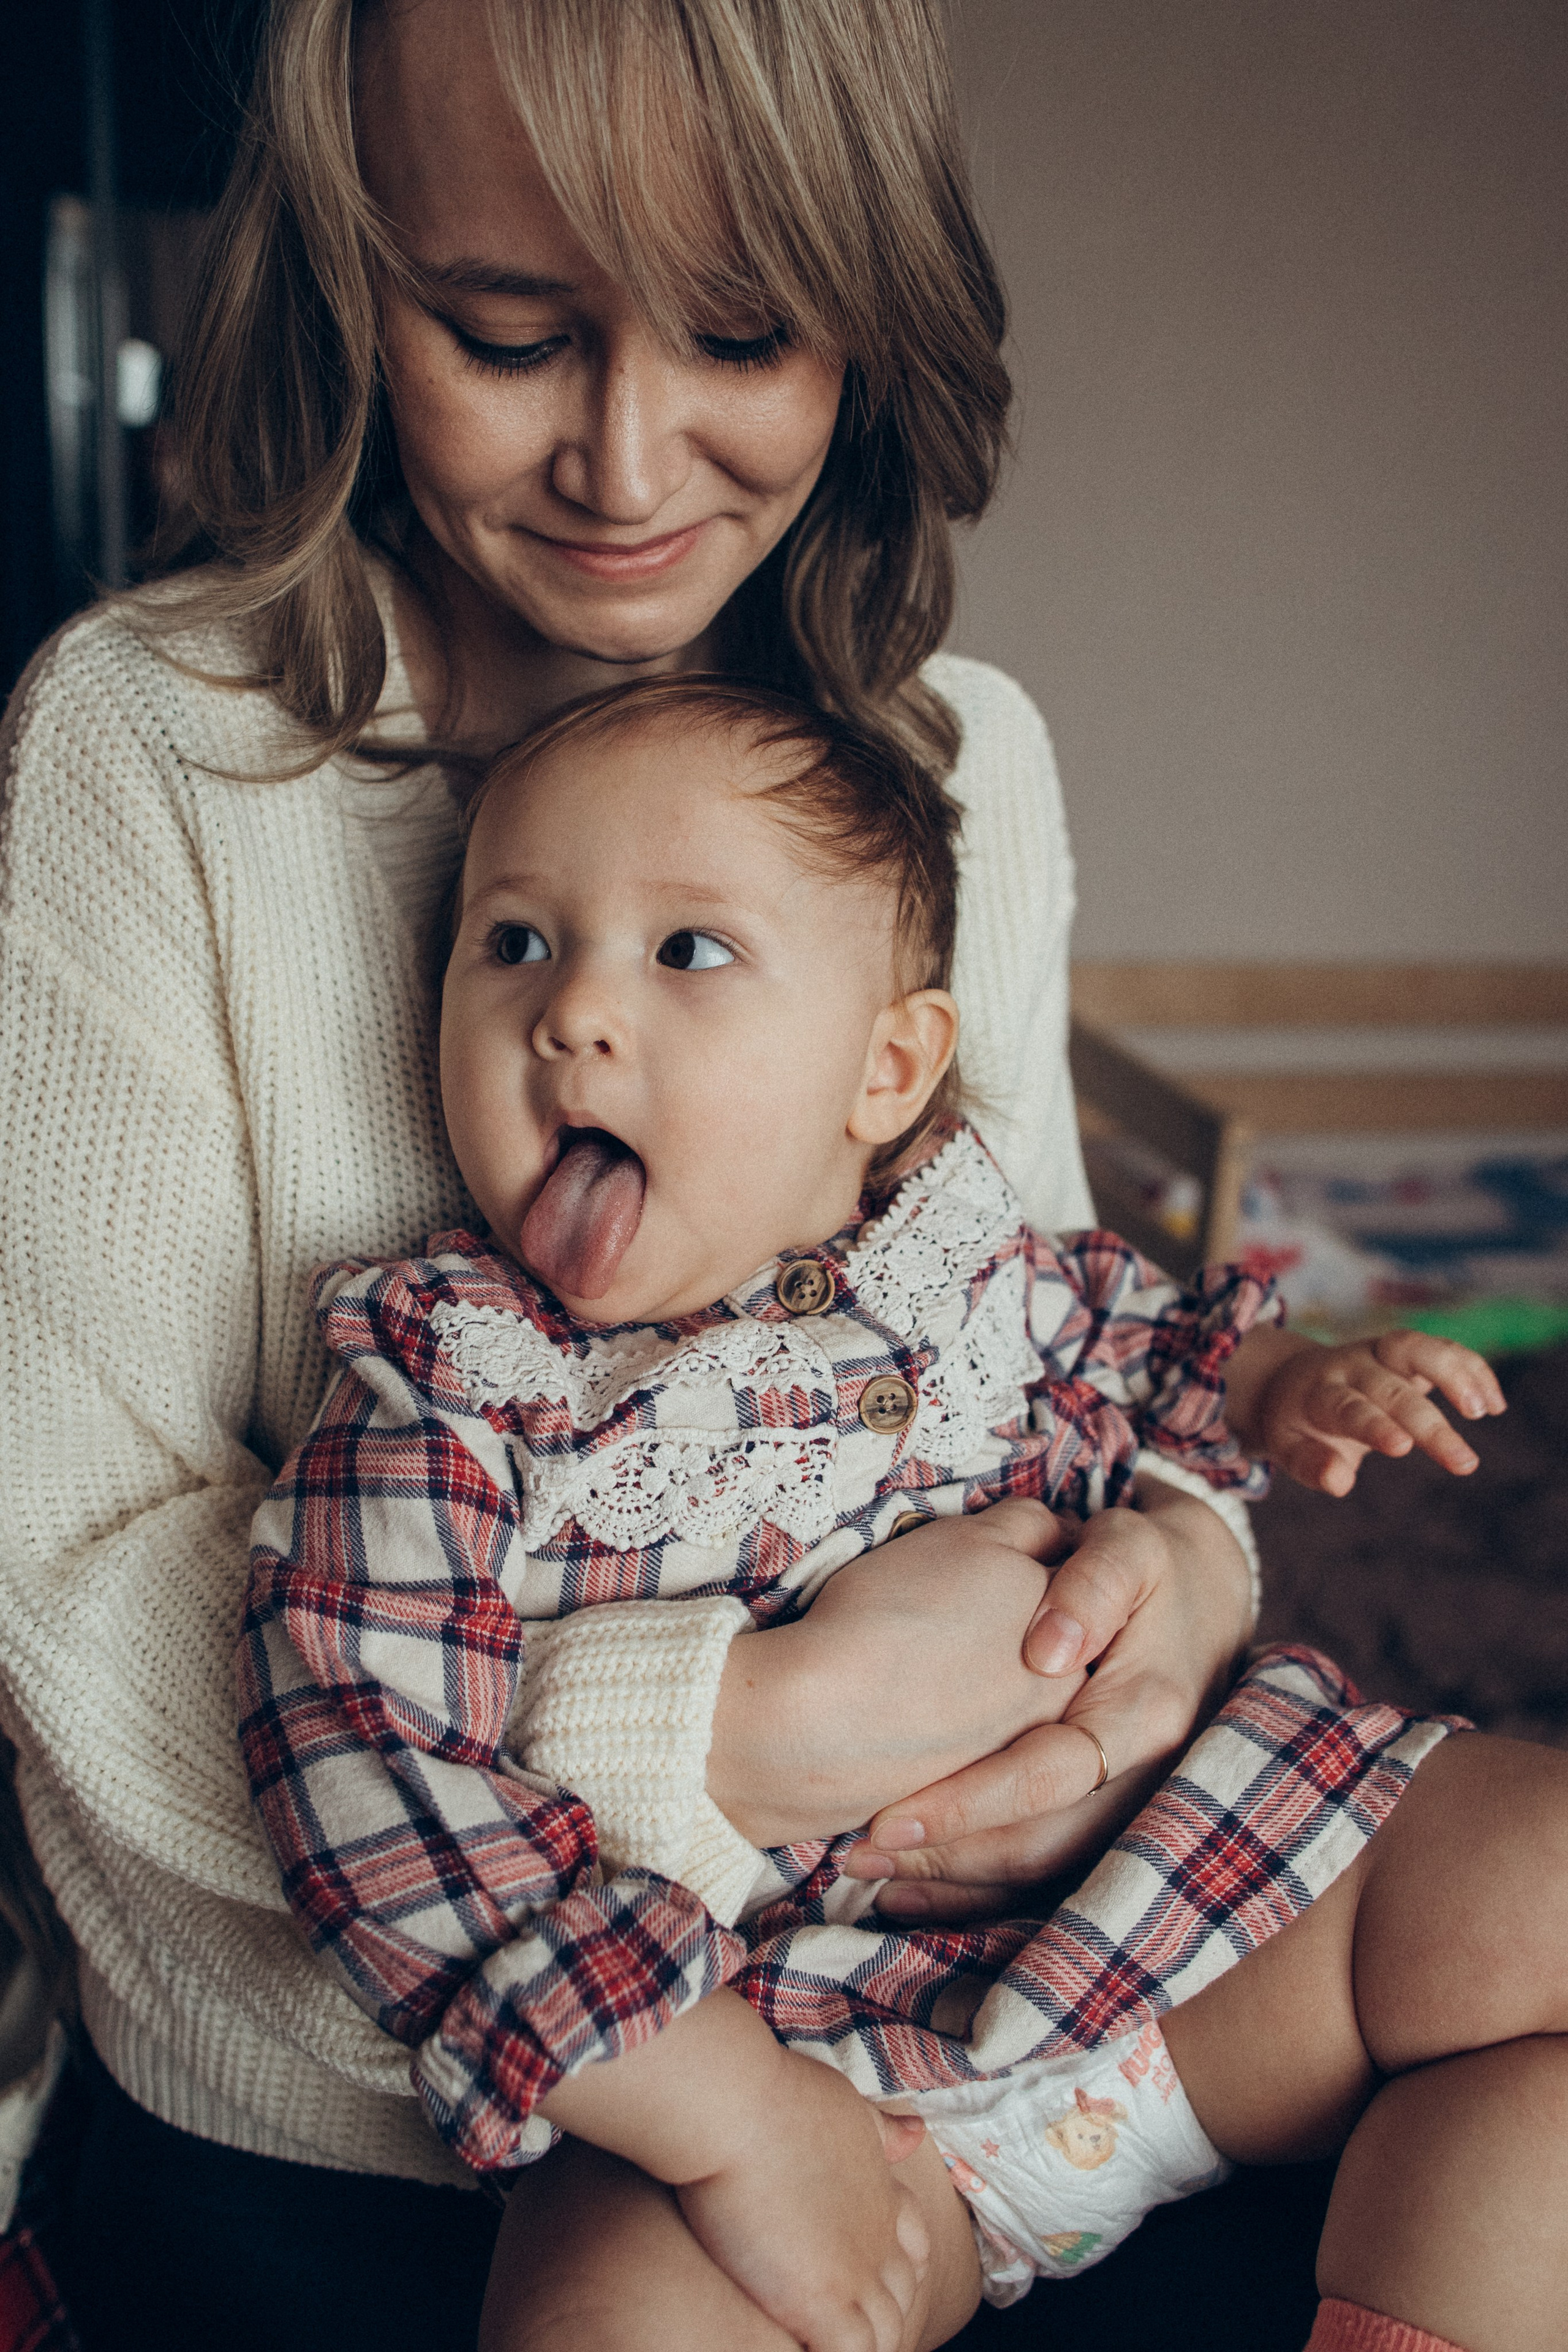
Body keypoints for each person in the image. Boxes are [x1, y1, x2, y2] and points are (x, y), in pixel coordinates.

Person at [0, 2, 1510, 2346]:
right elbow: (72, 1605)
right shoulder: (162, 759)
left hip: (1055, 1961)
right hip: (418, 2114)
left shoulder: (964, 762)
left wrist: (1169, 1609)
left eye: (736, 330)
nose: (626, 456)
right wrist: (743, 1733)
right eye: (505, 334)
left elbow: (1053, 1317)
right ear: (350, 277)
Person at [239, 674, 1551, 2352]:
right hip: (807, 2086)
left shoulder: (964, 1255)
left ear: (886, 1067)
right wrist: (721, 2115)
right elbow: (358, 1764)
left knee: (1531, 1887)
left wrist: (1288, 1391)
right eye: (511, 945)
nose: (569, 1015)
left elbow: (1157, 1344)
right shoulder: (451, 1386)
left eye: (685, 952)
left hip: (1209, 1892)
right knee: (594, 2315)